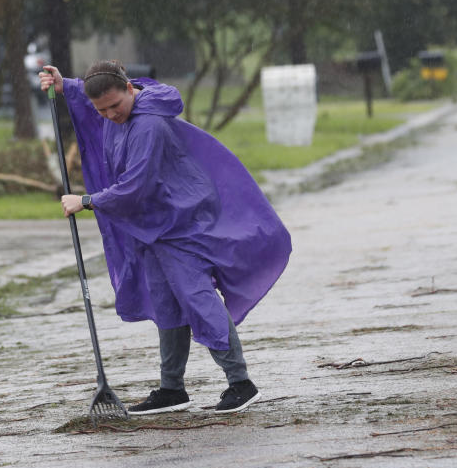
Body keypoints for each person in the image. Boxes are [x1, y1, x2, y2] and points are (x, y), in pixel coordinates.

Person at [39, 61, 291, 414]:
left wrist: (87, 201)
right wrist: (67, 85)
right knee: (166, 304)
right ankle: (172, 388)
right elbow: (94, 94)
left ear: (131, 90)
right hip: (152, 227)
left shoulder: (149, 125)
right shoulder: (120, 111)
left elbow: (136, 186)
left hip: (179, 221)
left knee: (197, 297)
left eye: (115, 106)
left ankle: (240, 382)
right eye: (102, 110)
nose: (109, 115)